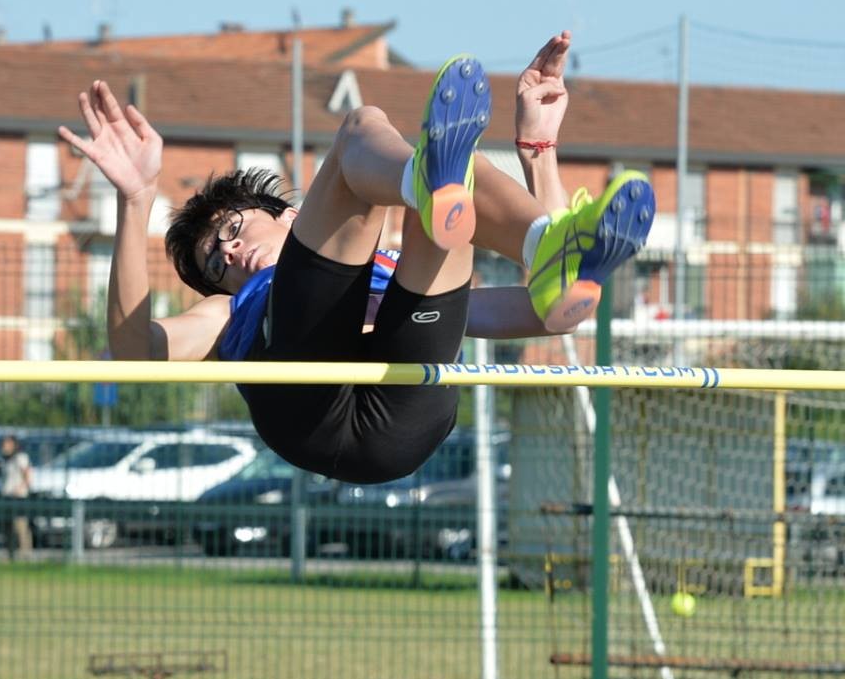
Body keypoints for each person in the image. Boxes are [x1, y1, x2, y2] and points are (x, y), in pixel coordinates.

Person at [58, 32, 654, 484]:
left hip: (405, 422)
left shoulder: (387, 267)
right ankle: (426, 181)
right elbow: (133, 352)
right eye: (217, 264)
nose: (230, 251)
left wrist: (539, 151)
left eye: (232, 229)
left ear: (291, 215)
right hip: (307, 414)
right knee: (363, 126)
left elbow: (547, 315)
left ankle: (538, 239)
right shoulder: (228, 312)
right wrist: (135, 200)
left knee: (459, 182)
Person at [0, 434, 33, 559]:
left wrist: (20, 488)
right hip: (7, 496)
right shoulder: (5, 459)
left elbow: (28, 475)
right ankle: (10, 553)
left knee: (20, 526)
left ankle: (25, 554)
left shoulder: (21, 458)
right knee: (7, 526)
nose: (4, 446)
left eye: (7, 444)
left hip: (18, 497)